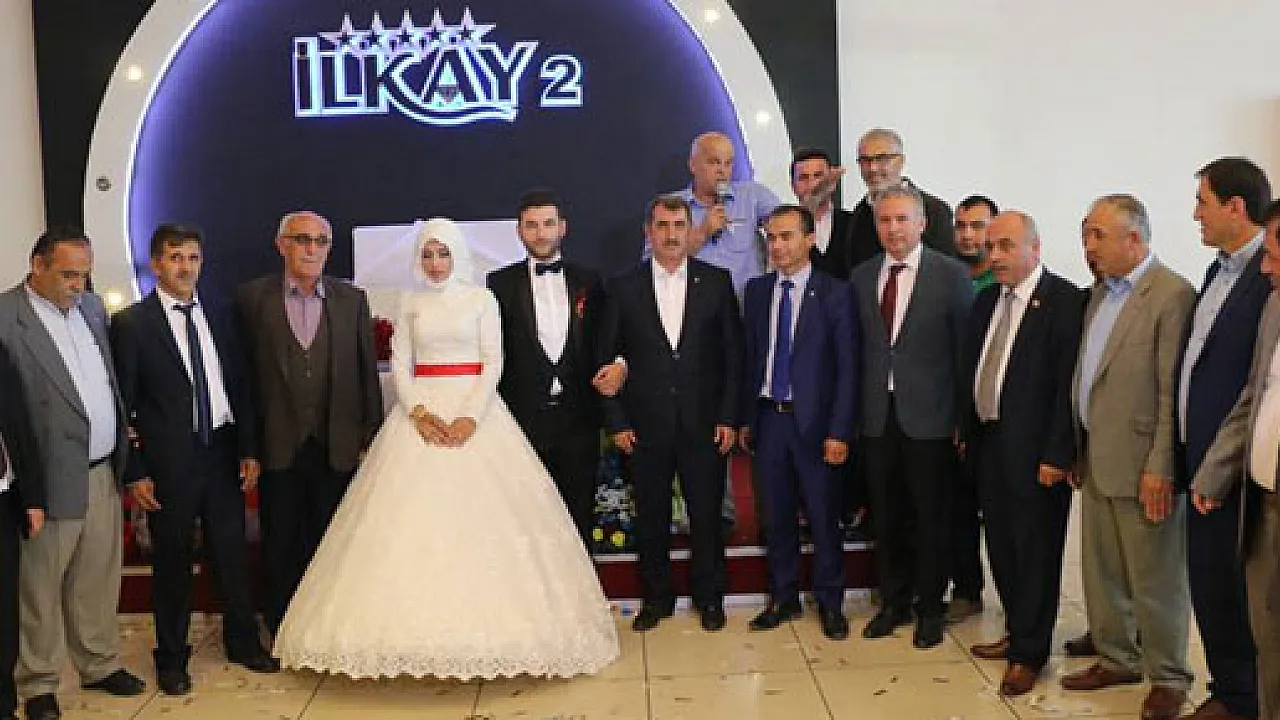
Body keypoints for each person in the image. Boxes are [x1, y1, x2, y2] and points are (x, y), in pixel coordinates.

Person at [273, 218, 619, 679]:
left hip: (477, 414)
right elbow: (400, 363)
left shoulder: (481, 299)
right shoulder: (410, 301)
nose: (436, 263)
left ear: (458, 255)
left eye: (444, 253)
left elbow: (493, 361)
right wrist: (418, 413)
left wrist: (470, 416)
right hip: (421, 417)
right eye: (428, 254)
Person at [110, 224, 279, 696]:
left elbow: (240, 385)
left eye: (193, 258)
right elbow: (123, 405)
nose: (185, 267)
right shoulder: (133, 324)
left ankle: (242, 643)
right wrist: (135, 471)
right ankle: (171, 658)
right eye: (175, 257)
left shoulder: (222, 313)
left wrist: (249, 448)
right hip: (169, 461)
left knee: (231, 554)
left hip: (222, 452)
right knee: (172, 562)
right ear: (156, 263)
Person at [0, 228, 145, 720]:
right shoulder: (7, 318)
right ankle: (38, 681)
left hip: (102, 469)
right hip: (47, 477)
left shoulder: (92, 309)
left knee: (97, 577)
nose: (78, 285)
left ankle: (98, 663)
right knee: (40, 585)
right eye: (67, 274)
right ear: (37, 265)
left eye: (84, 275)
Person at [1065, 194, 1196, 720]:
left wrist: (1161, 465)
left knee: (1155, 579)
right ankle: (1117, 658)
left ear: (1134, 238)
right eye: (1085, 234)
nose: (1088, 246)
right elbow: (1090, 377)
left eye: (1098, 235)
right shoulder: (1101, 293)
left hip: (1143, 462)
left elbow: (1170, 391)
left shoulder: (1170, 294)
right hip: (1098, 454)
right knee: (1103, 572)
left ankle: (1168, 677)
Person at [598, 195, 743, 633]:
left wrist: (729, 417)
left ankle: (710, 597)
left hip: (705, 423)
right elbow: (605, 360)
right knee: (651, 517)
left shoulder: (716, 282)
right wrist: (617, 422)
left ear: (690, 228)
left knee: (706, 516)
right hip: (644, 427)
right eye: (662, 225)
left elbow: (733, 358)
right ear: (648, 231)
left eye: (679, 225)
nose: (671, 234)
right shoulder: (622, 287)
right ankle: (657, 598)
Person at [234, 211, 384, 634]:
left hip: (336, 443)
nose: (311, 249)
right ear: (281, 244)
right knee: (280, 544)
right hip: (277, 444)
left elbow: (366, 373)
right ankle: (284, 629)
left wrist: (370, 436)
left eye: (321, 241)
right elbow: (241, 378)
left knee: (333, 542)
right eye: (302, 239)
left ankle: (328, 631)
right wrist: (248, 446)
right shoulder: (250, 299)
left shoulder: (351, 300)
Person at [960, 211, 1084, 696]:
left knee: (1036, 553)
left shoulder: (1063, 301)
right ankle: (1017, 631)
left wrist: (1058, 454)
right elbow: (973, 368)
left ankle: (1029, 654)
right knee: (1003, 548)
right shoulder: (986, 300)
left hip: (1038, 453)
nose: (995, 256)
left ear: (1035, 248)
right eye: (991, 247)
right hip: (991, 445)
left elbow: (1067, 385)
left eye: (1006, 246)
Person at [850, 185, 973, 649]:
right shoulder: (862, 277)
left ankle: (930, 609)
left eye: (902, 219)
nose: (893, 229)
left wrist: (962, 419)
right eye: (885, 220)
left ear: (922, 224)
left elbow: (964, 354)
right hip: (877, 418)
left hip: (932, 419)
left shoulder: (950, 275)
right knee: (886, 516)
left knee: (930, 518)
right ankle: (894, 603)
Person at [1175, 158, 1272, 720]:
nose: (1196, 214)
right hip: (1199, 454)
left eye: (1203, 202)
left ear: (1236, 207)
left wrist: (1220, 461)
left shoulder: (1267, 275)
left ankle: (1244, 697)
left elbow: (1253, 382)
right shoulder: (1218, 272)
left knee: (1237, 588)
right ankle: (1230, 688)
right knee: (1208, 580)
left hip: (1235, 462)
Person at [739, 205, 858, 641]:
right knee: (776, 517)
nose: (777, 245)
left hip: (816, 426)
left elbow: (848, 369)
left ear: (809, 240)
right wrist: (746, 419)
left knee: (824, 519)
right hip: (769, 420)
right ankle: (783, 597)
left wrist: (840, 431)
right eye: (771, 237)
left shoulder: (835, 293)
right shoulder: (756, 292)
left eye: (786, 236)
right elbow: (750, 359)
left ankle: (830, 602)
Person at [489, 189, 620, 546]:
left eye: (548, 224)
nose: (541, 233)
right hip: (523, 419)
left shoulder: (590, 281)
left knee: (578, 515)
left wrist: (619, 366)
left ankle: (581, 582)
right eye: (531, 225)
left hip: (579, 417)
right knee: (525, 518)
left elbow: (609, 340)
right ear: (519, 231)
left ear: (563, 227)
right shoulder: (498, 285)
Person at [1195, 197, 1280, 720]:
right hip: (1262, 503)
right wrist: (1215, 471)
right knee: (1267, 639)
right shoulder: (1274, 309)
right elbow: (1252, 396)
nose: (1265, 269)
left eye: (1273, 257)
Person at [946, 193, 1001, 624]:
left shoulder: (1006, 285)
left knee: (1001, 516)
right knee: (957, 509)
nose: (967, 235)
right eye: (961, 226)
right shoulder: (946, 278)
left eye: (977, 226)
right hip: (952, 413)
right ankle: (966, 590)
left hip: (997, 418)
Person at [0, 342, 44, 720]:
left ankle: (3, 701)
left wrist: (32, 496)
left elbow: (18, 420)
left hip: (4, 496)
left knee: (4, 609)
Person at [845, 128, 956, 266]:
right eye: (865, 160)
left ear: (901, 161)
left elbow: (944, 269)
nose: (872, 168)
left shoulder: (935, 210)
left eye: (882, 159)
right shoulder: (859, 214)